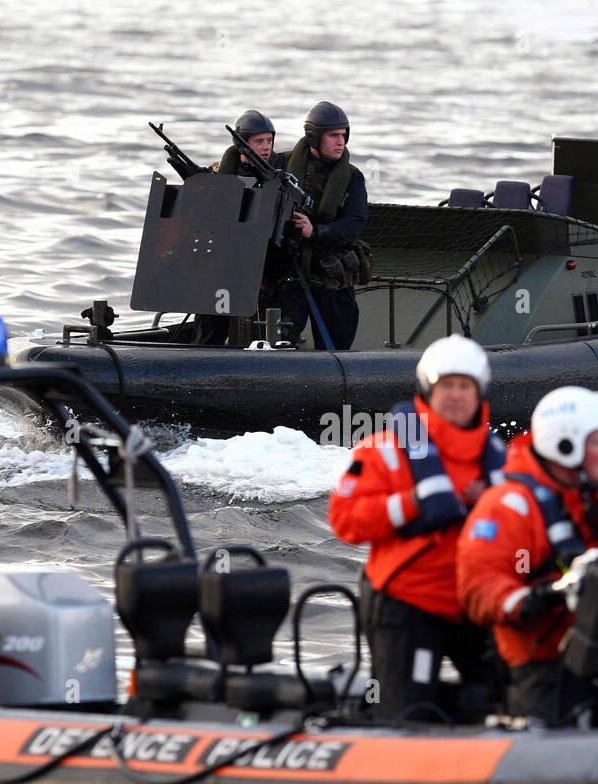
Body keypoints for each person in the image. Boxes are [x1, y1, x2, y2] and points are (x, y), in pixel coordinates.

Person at [456, 386, 598, 725]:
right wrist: (540, 597)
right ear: (565, 446)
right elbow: (479, 586)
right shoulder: (508, 506)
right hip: (543, 666)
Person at [329, 335, 508, 721]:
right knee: (404, 717)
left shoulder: (498, 461)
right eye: (447, 386)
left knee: (511, 697)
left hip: (473, 604)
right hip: (407, 603)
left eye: (465, 386)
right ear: (428, 390)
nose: (456, 396)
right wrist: (411, 503)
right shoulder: (384, 450)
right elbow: (344, 521)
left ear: (480, 394)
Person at [276, 101, 369, 351]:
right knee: (277, 342)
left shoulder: (352, 177)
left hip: (331, 275)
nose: (341, 142)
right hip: (289, 273)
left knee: (336, 347)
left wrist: (315, 231)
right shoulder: (281, 165)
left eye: (343, 135)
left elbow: (353, 224)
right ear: (314, 137)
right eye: (334, 136)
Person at [192, 110, 288, 346]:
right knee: (207, 337)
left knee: (261, 339)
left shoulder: (279, 177)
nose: (266, 147)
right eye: (259, 141)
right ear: (242, 144)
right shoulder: (221, 175)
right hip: (222, 271)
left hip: (261, 273)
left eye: (269, 140)